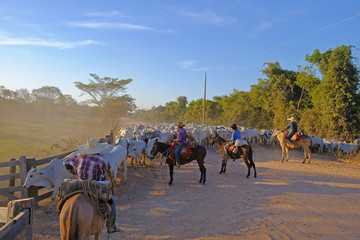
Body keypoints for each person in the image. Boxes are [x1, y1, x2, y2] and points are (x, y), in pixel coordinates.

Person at [63, 137, 121, 234]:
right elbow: (102, 176)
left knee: (65, 198)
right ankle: (111, 227)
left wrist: (74, 172)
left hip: (79, 184)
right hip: (94, 186)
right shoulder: (101, 159)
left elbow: (65, 162)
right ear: (98, 148)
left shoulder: (79, 156)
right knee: (112, 201)